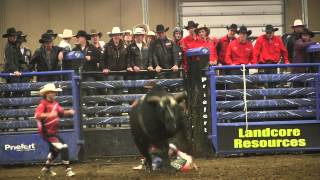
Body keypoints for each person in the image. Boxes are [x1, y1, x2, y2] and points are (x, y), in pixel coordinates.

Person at [34, 83, 75, 177]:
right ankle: (68, 170)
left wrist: (68, 112)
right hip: (46, 132)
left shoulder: (55, 104)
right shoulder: (43, 104)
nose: (54, 94)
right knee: (63, 147)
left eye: (55, 92)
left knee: (55, 150)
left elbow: (61, 112)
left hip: (52, 132)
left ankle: (46, 168)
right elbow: (37, 115)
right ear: (47, 93)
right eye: (52, 92)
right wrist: (49, 115)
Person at [2, 27, 29, 97]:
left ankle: (12, 105)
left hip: (14, 71)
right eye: (12, 36)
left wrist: (26, 66)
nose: (14, 37)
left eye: (15, 36)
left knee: (15, 89)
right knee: (15, 89)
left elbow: (20, 58)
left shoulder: (14, 46)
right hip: (11, 72)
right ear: (8, 37)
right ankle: (11, 105)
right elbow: (9, 61)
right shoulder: (9, 47)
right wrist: (15, 70)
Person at [72, 30, 101, 94]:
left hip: (90, 74)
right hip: (79, 75)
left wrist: (91, 58)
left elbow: (100, 58)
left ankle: (92, 103)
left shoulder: (92, 48)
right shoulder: (75, 49)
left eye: (78, 37)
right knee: (80, 92)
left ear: (83, 38)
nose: (77, 39)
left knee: (91, 90)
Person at [102, 27, 128, 93]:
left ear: (120, 36)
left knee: (119, 91)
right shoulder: (107, 46)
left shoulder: (124, 46)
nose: (116, 36)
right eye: (115, 35)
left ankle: (119, 103)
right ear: (112, 36)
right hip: (110, 72)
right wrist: (104, 68)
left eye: (118, 35)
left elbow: (127, 58)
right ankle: (111, 104)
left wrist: (127, 67)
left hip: (121, 72)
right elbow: (102, 59)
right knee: (110, 91)